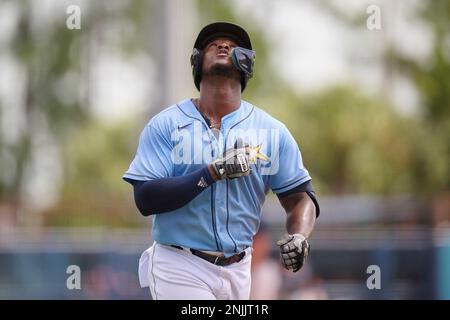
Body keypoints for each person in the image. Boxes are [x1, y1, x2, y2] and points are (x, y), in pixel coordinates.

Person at [122, 22, 320, 300]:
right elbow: (145, 198)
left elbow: (300, 198)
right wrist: (212, 172)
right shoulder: (166, 125)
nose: (223, 45)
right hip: (179, 262)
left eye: (231, 43)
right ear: (197, 60)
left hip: (240, 267)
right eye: (213, 43)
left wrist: (300, 236)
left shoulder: (272, 131)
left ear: (246, 63)